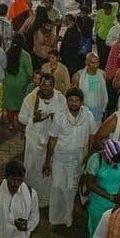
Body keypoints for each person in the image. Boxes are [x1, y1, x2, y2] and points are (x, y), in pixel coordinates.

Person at [43, 87, 97, 228]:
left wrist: (89, 155)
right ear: (67, 101)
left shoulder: (88, 116)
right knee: (57, 186)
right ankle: (54, 220)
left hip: (78, 160)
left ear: (81, 102)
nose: (74, 103)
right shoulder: (60, 117)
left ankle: (67, 218)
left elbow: (92, 137)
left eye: (77, 100)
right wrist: (47, 161)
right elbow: (52, 140)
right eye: (71, 100)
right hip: (59, 158)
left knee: (70, 189)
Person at [17, 73, 66, 208]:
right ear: (39, 84)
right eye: (44, 85)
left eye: (50, 86)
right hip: (34, 141)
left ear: (53, 86)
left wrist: (54, 117)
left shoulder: (60, 99)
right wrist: (34, 119)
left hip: (51, 141)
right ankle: (30, 199)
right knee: (32, 169)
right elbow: (21, 117)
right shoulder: (31, 98)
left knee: (48, 169)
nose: (46, 88)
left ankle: (45, 200)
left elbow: (64, 117)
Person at [85, 139, 120, 238]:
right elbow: (90, 184)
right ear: (107, 153)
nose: (116, 163)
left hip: (118, 205)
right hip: (98, 204)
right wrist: (110, 197)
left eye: (118, 161)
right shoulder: (95, 160)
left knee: (113, 231)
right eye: (114, 160)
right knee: (97, 231)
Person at [1, 33, 33, 130]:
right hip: (21, 84)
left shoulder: (6, 53)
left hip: (8, 83)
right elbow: (30, 71)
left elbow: (2, 67)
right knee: (20, 105)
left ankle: (11, 123)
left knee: (10, 105)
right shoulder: (25, 55)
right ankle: (20, 123)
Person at [72, 53, 107, 124]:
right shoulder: (78, 76)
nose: (96, 65)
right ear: (86, 63)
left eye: (97, 62)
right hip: (83, 110)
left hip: (98, 110)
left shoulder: (102, 74)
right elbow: (73, 95)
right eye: (93, 63)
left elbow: (103, 94)